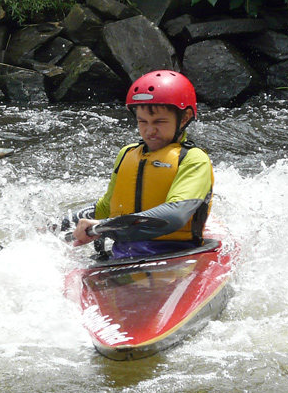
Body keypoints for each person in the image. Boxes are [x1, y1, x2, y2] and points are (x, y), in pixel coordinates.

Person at [70, 69, 214, 259]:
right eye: (142, 121)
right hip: (122, 255)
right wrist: (66, 223)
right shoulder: (127, 153)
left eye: (159, 121)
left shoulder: (194, 159)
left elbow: (175, 215)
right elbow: (106, 206)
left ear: (185, 118)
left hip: (175, 254)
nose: (149, 130)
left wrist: (104, 227)